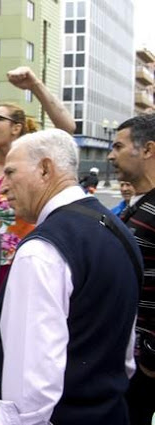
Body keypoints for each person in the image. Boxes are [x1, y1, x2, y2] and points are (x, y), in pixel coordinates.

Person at [0, 129, 140, 424]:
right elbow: (125, 354)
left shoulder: (42, 250)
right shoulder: (117, 228)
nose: (3, 186)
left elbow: (31, 390)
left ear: (45, 169)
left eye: (10, 172)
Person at [0, 66, 76, 424]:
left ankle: (16, 407)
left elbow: (68, 133)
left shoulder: (31, 158)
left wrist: (35, 86)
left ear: (17, 128)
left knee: (14, 341)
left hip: (24, 265)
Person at [108, 114, 155, 424]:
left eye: (118, 146)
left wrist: (152, 350)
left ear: (148, 149)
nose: (111, 155)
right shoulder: (136, 206)